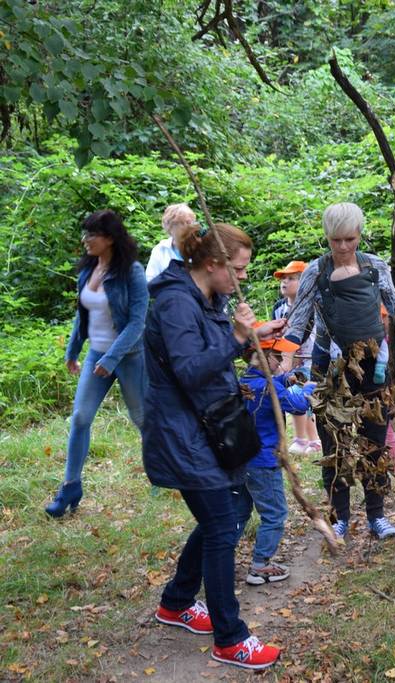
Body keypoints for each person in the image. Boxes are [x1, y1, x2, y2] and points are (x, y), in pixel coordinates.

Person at [144, 221, 283, 670]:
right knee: (224, 524)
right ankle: (230, 638)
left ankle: (177, 602)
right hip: (183, 433)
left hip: (214, 428)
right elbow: (190, 369)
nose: (241, 278)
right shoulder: (174, 303)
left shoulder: (208, 297)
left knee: (232, 512)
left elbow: (214, 350)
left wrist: (253, 340)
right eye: (237, 270)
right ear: (211, 264)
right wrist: (237, 338)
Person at [283, 203, 395, 541]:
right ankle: (339, 516)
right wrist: (282, 359)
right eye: (336, 240)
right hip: (330, 368)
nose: (343, 247)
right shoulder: (316, 272)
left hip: (374, 368)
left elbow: (394, 305)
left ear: (359, 234)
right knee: (334, 444)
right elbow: (298, 323)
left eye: (350, 239)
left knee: (375, 440)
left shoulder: (374, 266)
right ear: (327, 238)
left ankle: (377, 515)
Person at [46, 210, 148, 518]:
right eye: (85, 233)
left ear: (110, 238)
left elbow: (137, 322)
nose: (85, 240)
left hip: (128, 358)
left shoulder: (132, 272)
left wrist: (112, 357)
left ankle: (163, 471)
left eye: (92, 234)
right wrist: (72, 350)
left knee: (142, 419)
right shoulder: (87, 270)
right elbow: (83, 314)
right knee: (79, 418)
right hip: (96, 356)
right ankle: (70, 487)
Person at [237, 337, 314, 586]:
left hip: (243, 459)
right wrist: (307, 390)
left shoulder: (247, 381)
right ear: (260, 356)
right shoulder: (266, 388)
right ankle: (260, 566)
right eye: (277, 357)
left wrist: (286, 379)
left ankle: (221, 555)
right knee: (275, 513)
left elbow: (271, 388)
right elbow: (297, 405)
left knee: (239, 510)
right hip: (263, 460)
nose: (281, 361)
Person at [271, 260, 320, 456]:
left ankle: (314, 438)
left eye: (292, 278)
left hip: (308, 358)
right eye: (283, 278)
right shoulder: (279, 306)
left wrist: (296, 354)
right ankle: (300, 438)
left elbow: (308, 331)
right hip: (286, 359)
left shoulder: (312, 305)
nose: (285, 282)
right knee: (292, 395)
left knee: (307, 398)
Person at [145, 203, 196, 281]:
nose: (188, 227)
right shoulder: (160, 250)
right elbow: (150, 280)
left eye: (190, 222)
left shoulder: (200, 248)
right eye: (182, 223)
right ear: (170, 227)